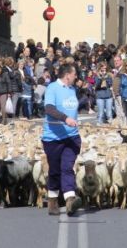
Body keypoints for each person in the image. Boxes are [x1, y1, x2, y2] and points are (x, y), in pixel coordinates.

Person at [42, 63, 82, 217]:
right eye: (74, 74)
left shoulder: (72, 90)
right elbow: (49, 109)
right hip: (53, 138)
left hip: (71, 137)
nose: (76, 77)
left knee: (67, 167)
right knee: (55, 170)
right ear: (67, 75)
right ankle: (52, 200)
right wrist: (65, 119)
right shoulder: (52, 88)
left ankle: (70, 200)